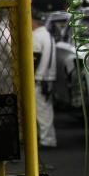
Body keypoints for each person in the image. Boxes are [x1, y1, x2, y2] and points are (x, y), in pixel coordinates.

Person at [31, 11, 57, 148]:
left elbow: (34, 58)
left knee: (42, 111)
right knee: (45, 109)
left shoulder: (36, 36)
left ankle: (47, 140)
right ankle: (47, 138)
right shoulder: (47, 35)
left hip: (39, 78)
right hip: (48, 77)